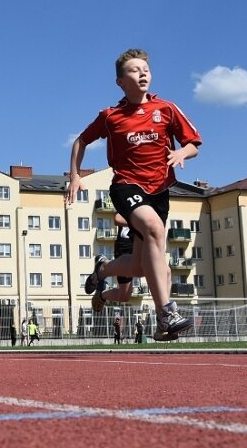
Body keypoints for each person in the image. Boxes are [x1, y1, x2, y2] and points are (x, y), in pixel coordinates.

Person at [66, 48, 201, 342]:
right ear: (120, 81)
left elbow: (193, 143)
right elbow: (81, 140)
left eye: (146, 70)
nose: (142, 74)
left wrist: (181, 152)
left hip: (160, 190)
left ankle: (104, 270)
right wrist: (75, 175)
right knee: (153, 229)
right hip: (127, 185)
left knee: (145, 266)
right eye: (134, 70)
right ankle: (167, 314)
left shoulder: (166, 109)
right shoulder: (111, 116)